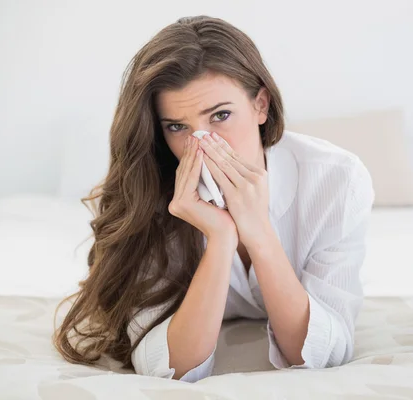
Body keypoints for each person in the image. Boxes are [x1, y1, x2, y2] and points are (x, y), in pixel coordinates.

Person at [53, 15, 374, 383]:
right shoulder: (147, 194)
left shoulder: (336, 180)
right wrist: (220, 240)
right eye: (177, 127)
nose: (202, 143)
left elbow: (325, 352)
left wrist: (259, 232)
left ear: (261, 106)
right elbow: (165, 367)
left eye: (220, 115)